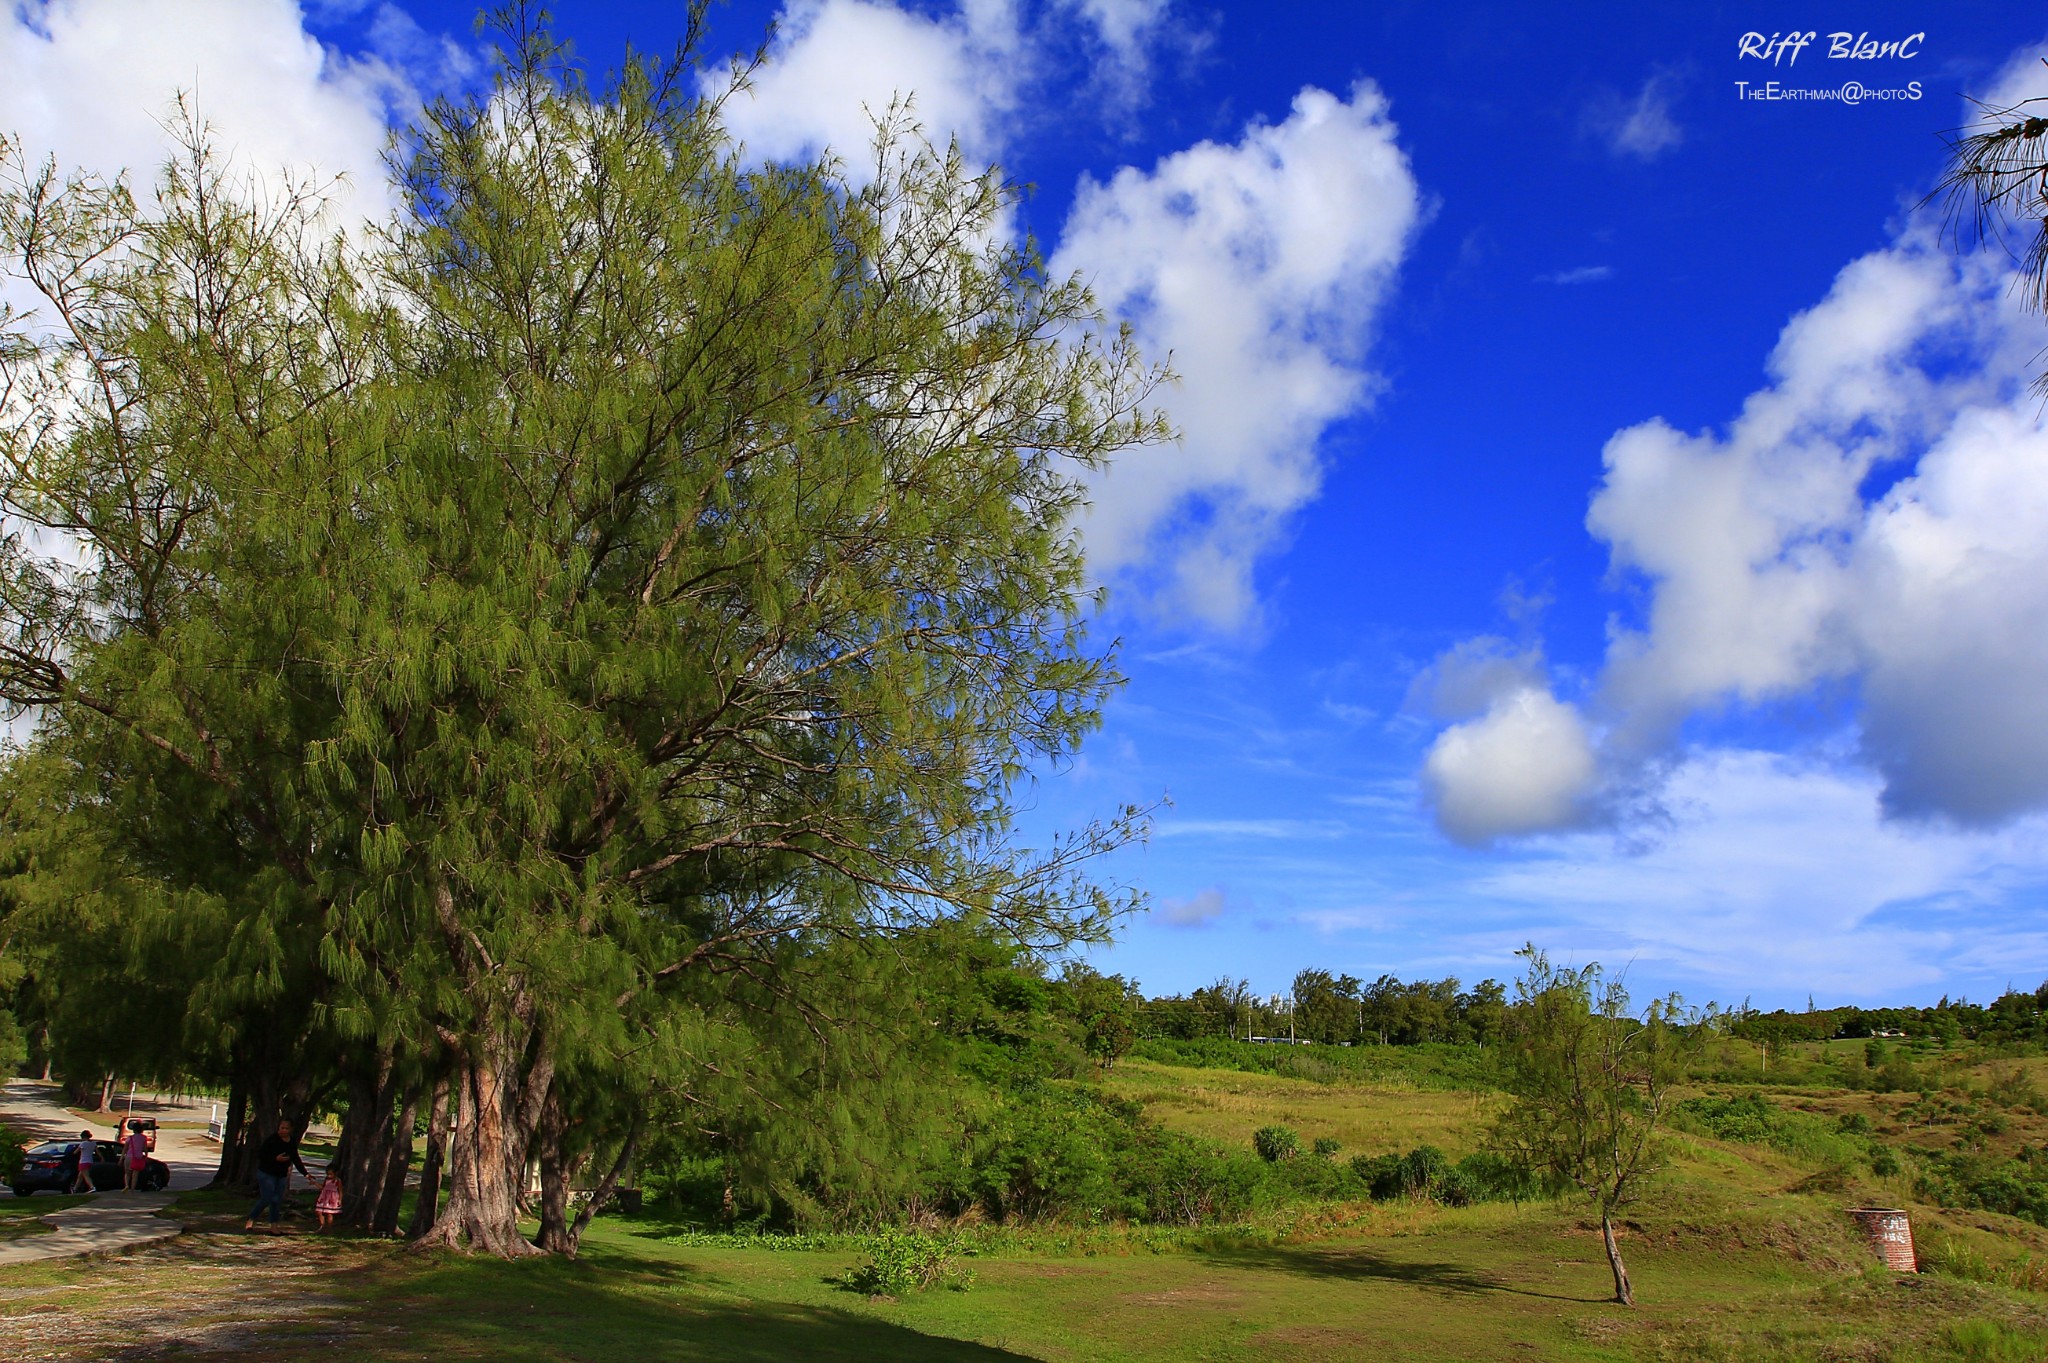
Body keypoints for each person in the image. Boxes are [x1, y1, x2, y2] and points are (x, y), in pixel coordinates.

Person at [244, 1119, 311, 1232]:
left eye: (286, 1128)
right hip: (267, 1173)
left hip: (281, 1175)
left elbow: (296, 1159)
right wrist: (275, 1158)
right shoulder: (272, 1140)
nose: (283, 1130)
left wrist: (305, 1174)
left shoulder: (291, 1142)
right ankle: (250, 1220)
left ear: (291, 1129)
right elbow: (261, 1155)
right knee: (266, 1199)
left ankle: (274, 1226)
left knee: (276, 1200)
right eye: (281, 1128)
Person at [121, 1121, 149, 1192]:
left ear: (134, 1129)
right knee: (135, 1174)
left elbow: (125, 1149)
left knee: (127, 1173)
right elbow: (145, 1149)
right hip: (138, 1157)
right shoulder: (143, 1138)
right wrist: (145, 1156)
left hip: (129, 1156)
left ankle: (127, 1185)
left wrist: (121, 1158)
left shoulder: (130, 1138)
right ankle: (132, 1188)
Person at [68, 1129, 96, 1195]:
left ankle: (92, 1187)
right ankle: (75, 1189)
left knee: (86, 1175)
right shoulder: (93, 1143)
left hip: (83, 1161)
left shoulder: (83, 1143)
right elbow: (97, 1151)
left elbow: (75, 1152)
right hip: (90, 1161)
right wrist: (101, 1158)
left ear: (84, 1137)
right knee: (80, 1176)